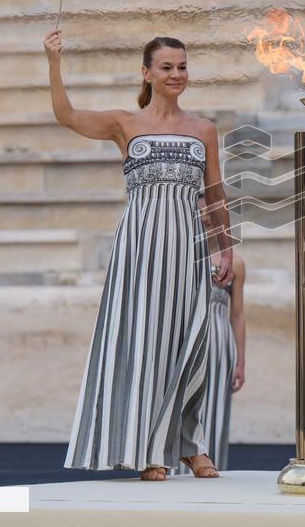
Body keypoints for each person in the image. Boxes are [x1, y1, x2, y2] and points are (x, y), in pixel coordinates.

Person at [47, 30, 236, 481]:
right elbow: (67, 116)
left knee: (192, 346)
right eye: (167, 67)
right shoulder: (124, 123)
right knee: (147, 345)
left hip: (188, 249)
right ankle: (153, 451)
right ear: (147, 72)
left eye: (182, 66)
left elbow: (214, 196)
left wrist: (225, 246)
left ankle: (192, 445)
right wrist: (54, 63)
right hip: (139, 249)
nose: (176, 74)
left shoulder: (202, 129)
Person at [183, 200, 246, 473]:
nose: (206, 217)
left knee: (216, 411)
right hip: (187, 340)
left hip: (220, 344)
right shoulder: (179, 258)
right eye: (201, 210)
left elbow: (238, 315)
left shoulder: (236, 264)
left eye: (212, 211)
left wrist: (241, 362)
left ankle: (211, 467)